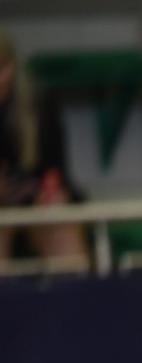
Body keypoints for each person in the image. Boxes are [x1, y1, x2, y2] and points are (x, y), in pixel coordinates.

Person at [0, 29, 88, 268]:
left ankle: (74, 288)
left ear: (13, 66)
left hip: (37, 204)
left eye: (3, 68)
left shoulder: (40, 103)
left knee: (58, 220)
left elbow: (56, 172)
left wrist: (50, 190)